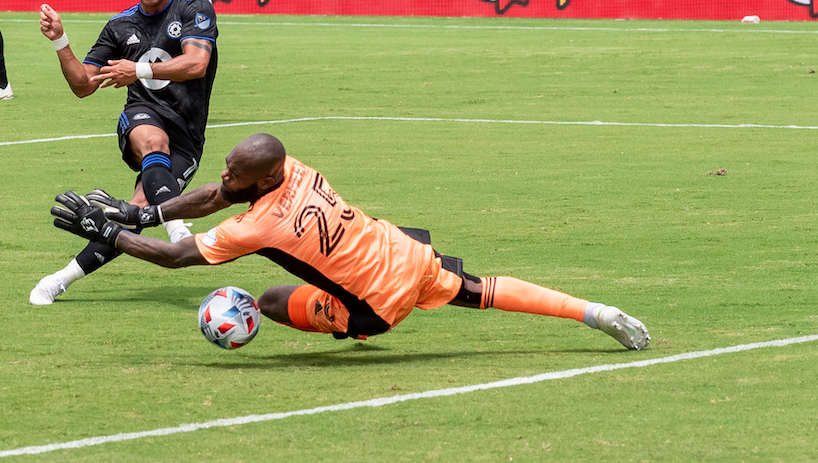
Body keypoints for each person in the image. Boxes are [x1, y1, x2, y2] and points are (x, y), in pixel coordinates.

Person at [49, 134, 651, 349]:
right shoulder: (294, 169)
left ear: (262, 179)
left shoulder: (261, 225)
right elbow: (213, 195)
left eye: (235, 173)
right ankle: (594, 312)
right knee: (482, 290)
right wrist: (147, 212)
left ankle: (347, 325)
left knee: (272, 301)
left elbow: (178, 258)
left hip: (378, 303)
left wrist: (111, 232)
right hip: (403, 252)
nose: (225, 177)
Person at [30, 0, 220, 305]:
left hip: (189, 136)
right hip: (142, 117)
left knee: (132, 216)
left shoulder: (194, 8)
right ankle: (174, 223)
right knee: (152, 141)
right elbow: (83, 85)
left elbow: (196, 64)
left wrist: (138, 69)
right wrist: (60, 41)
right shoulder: (120, 26)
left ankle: (60, 278)